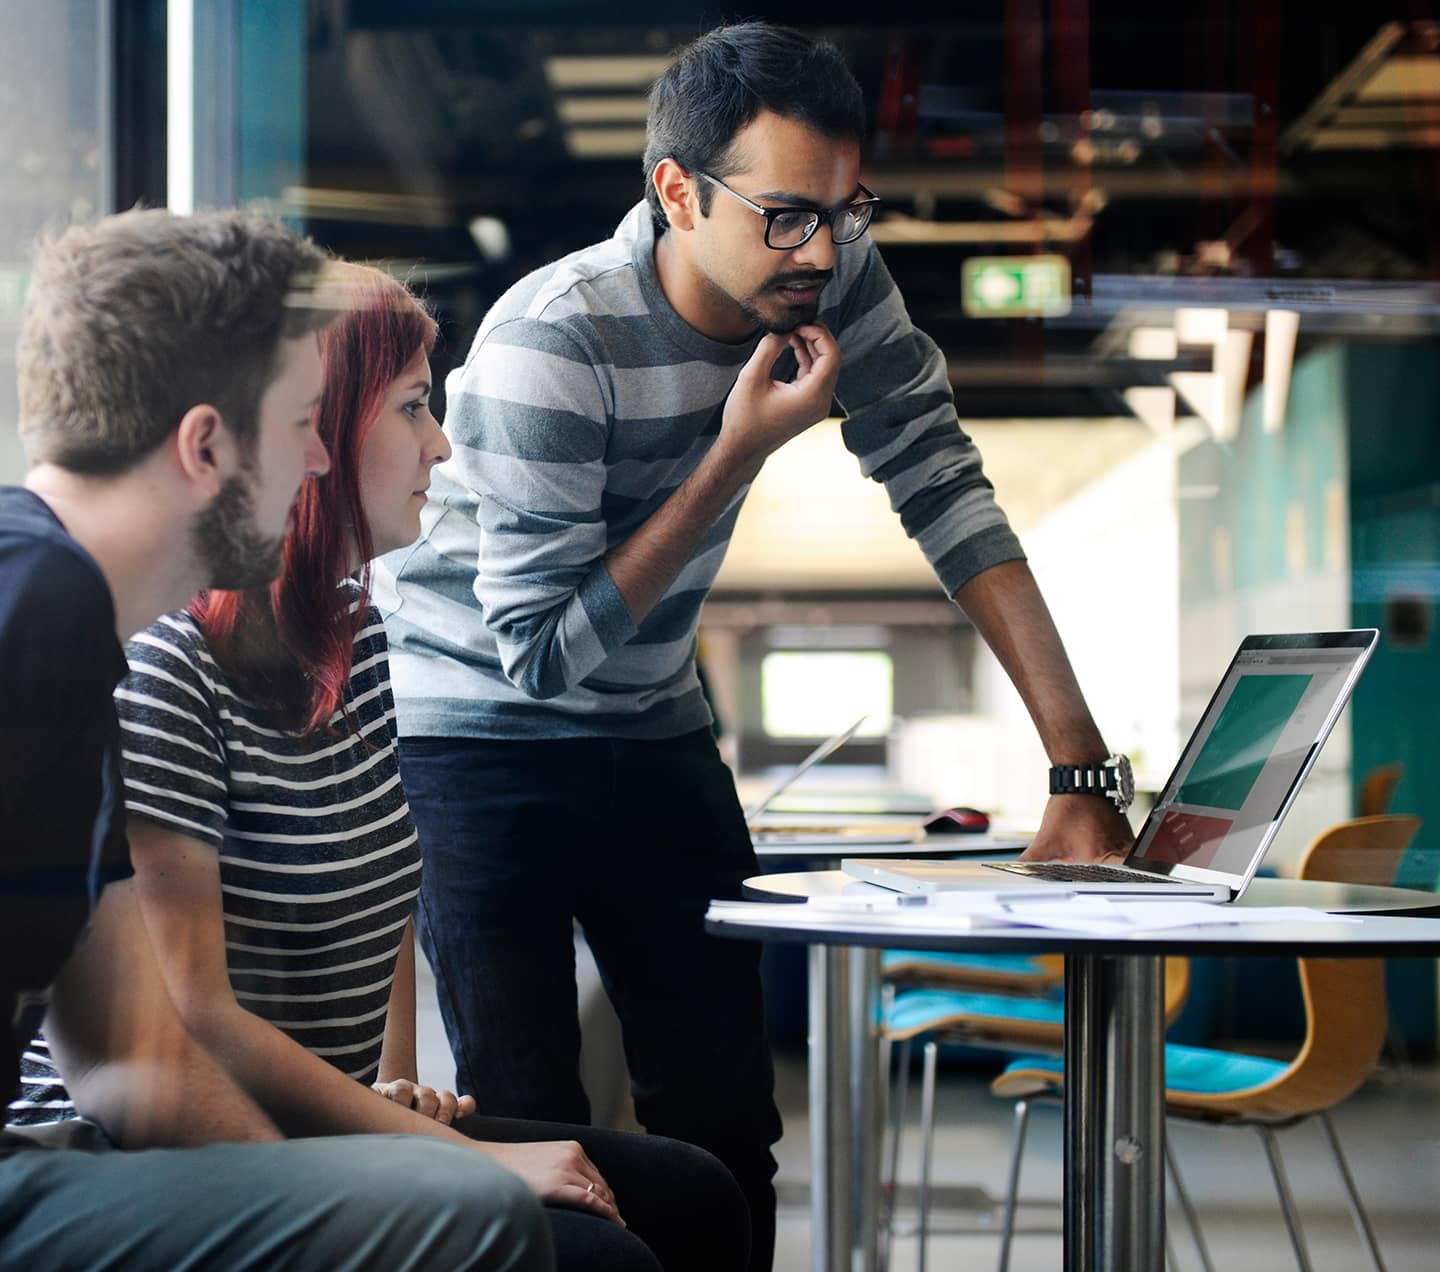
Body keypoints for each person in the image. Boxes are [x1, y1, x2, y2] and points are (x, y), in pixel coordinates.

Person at [374, 22, 1133, 1267]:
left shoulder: (837, 279)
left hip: (655, 725)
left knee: (729, 1120)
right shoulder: (549, 342)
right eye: (786, 216)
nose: (822, 251)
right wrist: (736, 452)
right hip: (473, 733)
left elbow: (943, 484)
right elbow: (543, 657)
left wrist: (1078, 766)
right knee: (530, 1119)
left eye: (844, 210)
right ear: (677, 191)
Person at [14, 262, 745, 1272]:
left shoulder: (355, 632)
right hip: (148, 1149)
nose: (441, 444)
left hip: (308, 1123)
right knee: (599, 1254)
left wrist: (393, 1101)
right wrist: (419, 1168)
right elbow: (167, 1044)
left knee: (693, 1194)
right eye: (409, 407)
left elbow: (384, 902)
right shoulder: (129, 648)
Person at [1, 208, 551, 1271]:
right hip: (31, 1171)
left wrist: (340, 1191)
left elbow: (128, 1058)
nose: (318, 460)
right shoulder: (37, 604)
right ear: (207, 445)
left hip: (49, 1160)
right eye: (303, 423)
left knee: (450, 1201)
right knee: (473, 1214)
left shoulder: (80, 639)